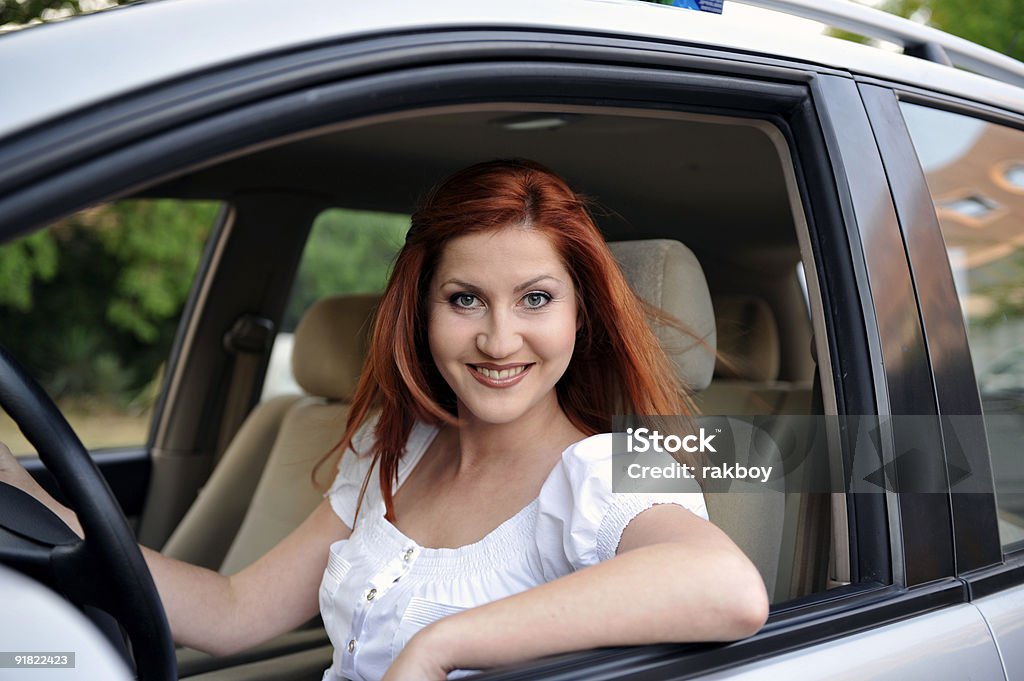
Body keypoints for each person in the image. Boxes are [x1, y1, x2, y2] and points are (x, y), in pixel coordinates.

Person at [0, 159, 769, 681]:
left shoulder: (605, 471)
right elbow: (234, 613)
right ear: (423, 310)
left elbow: (728, 586)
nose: (499, 340)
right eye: (465, 298)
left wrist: (443, 645)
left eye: (536, 298)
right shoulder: (391, 450)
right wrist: (32, 501)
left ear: (581, 316)